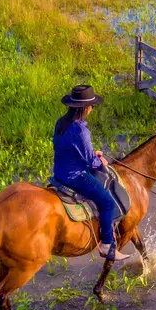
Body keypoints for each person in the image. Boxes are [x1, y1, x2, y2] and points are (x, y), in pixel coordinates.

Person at [52, 85, 132, 263]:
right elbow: (92, 162)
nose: (92, 109)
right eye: (92, 106)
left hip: (59, 171)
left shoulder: (61, 122)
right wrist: (101, 161)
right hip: (75, 176)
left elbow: (61, 146)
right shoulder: (81, 130)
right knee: (107, 202)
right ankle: (107, 245)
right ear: (85, 108)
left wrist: (88, 155)